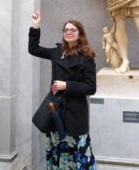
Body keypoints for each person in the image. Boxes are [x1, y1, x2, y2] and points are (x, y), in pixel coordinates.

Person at [28, 12, 96, 169]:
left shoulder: (87, 57)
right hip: (56, 111)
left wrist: (68, 85)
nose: (69, 32)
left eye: (73, 30)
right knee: (57, 151)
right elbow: (33, 49)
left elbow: (91, 87)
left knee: (77, 153)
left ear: (80, 34)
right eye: (66, 30)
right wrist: (36, 26)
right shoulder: (56, 52)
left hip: (75, 113)